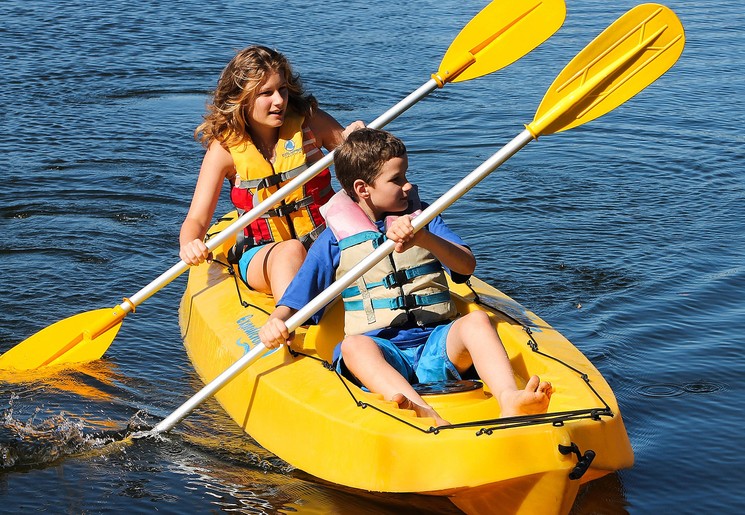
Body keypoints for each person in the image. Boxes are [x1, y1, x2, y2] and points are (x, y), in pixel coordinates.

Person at [259, 128, 552, 425]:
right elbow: (298, 297)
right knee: (352, 347)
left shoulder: (424, 217)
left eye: (406, 175)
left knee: (476, 321)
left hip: (437, 343)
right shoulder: (333, 239)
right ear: (363, 189)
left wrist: (426, 239)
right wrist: (277, 320)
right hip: (382, 351)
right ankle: (423, 412)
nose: (408, 186)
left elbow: (466, 266)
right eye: (396, 179)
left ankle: (509, 398)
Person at [180, 45, 362, 299]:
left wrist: (358, 139)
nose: (279, 100)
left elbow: (363, 164)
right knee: (290, 251)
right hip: (263, 252)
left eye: (283, 89)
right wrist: (189, 244)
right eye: (267, 93)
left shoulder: (310, 123)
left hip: (324, 241)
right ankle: (291, 324)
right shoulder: (224, 150)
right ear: (242, 100)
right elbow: (197, 219)